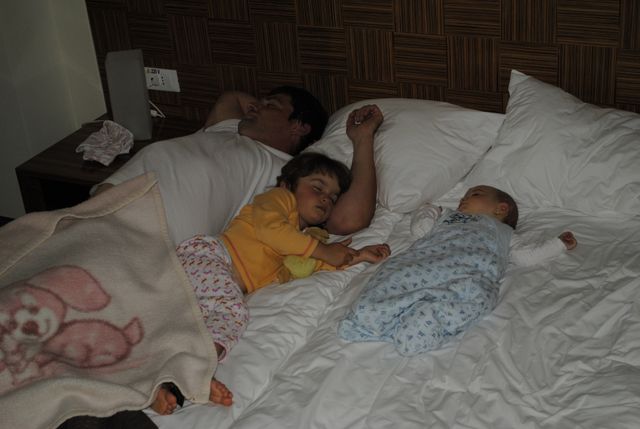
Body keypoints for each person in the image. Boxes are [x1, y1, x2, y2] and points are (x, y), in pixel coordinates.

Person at [151, 152, 391, 414]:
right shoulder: (278, 200)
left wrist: (358, 255)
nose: (325, 198)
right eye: (317, 188)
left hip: (211, 280)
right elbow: (271, 230)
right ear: (288, 185)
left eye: (332, 198)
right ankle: (195, 369)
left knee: (187, 328)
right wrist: (323, 250)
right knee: (231, 313)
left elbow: (313, 264)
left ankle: (161, 386)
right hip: (210, 257)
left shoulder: (301, 239)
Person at [95, 87, 380, 243]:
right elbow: (232, 97)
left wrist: (363, 139)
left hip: (150, 235)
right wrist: (265, 108)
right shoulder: (228, 128)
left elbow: (348, 220)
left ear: (299, 127)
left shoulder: (291, 172)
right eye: (258, 102)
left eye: (271, 104)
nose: (254, 106)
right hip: (107, 203)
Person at [338, 185, 578, 356]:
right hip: (422, 264)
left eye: (474, 194)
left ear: (501, 208)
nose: (463, 199)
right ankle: (370, 313)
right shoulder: (449, 217)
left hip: (467, 274)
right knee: (392, 278)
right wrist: (429, 210)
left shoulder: (505, 233)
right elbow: (420, 230)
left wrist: (557, 244)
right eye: (463, 196)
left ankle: (426, 321)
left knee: (477, 296)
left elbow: (526, 256)